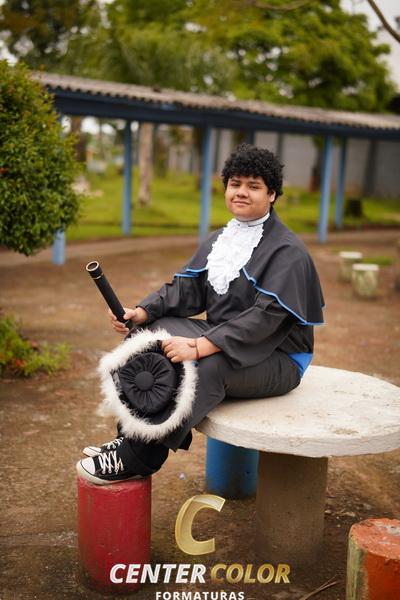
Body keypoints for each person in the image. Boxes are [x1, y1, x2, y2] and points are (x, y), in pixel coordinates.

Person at [76, 143, 324, 485]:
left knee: (206, 366)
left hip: (279, 357)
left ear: (272, 195)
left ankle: (138, 458)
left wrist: (200, 346)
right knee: (149, 335)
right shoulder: (220, 239)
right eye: (235, 184)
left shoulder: (288, 251)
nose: (241, 192)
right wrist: (142, 312)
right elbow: (186, 289)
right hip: (226, 337)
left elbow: (265, 319)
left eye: (253, 186)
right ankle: (129, 436)